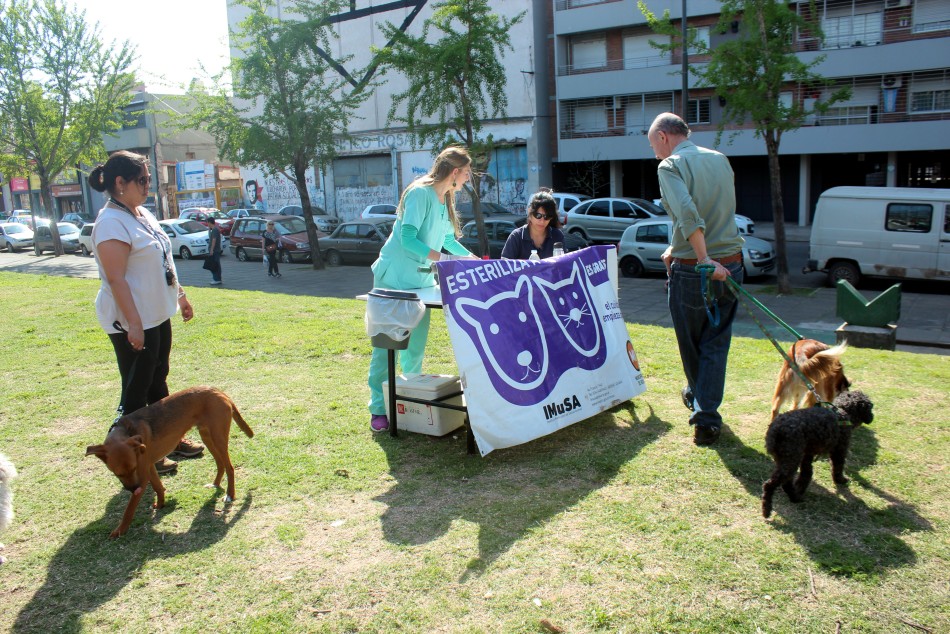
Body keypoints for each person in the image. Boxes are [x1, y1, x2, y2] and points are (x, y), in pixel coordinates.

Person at [89, 150, 204, 473]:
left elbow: (162, 261)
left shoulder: (140, 213)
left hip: (156, 314)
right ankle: (134, 453)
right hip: (131, 320)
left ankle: (167, 438)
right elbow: (116, 279)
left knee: (158, 381)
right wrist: (134, 324)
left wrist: (180, 296)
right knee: (136, 391)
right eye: (142, 180)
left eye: (149, 180)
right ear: (120, 182)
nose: (148, 186)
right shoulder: (111, 222)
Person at [647, 112, 744, 446]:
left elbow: (689, 213)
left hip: (697, 268)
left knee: (691, 343)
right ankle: (700, 399)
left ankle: (705, 416)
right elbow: (717, 212)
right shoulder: (719, 159)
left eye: (653, 145)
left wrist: (704, 260)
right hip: (732, 264)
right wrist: (675, 247)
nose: (655, 154)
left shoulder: (669, 165)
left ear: (663, 136)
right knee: (716, 342)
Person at [367, 146, 476, 432]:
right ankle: (378, 408)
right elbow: (408, 239)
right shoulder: (419, 193)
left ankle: (406, 402)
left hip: (423, 283)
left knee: (414, 349)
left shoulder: (445, 199)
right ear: (454, 172)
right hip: (394, 282)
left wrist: (471, 260)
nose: (467, 179)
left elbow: (448, 241)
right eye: (466, 173)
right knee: (386, 348)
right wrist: (445, 259)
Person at [501, 188, 565, 259]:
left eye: (547, 216)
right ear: (529, 213)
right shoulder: (516, 237)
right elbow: (505, 266)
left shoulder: (557, 236)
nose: (542, 221)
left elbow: (564, 265)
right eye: (538, 215)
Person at [206, 217, 223, 285]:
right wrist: (209, 229)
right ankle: (216, 278)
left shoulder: (215, 230)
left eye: (207, 222)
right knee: (215, 264)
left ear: (210, 222)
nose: (207, 224)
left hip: (215, 250)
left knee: (215, 265)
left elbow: (214, 240)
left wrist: (212, 250)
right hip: (214, 250)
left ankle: (217, 278)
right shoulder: (213, 230)